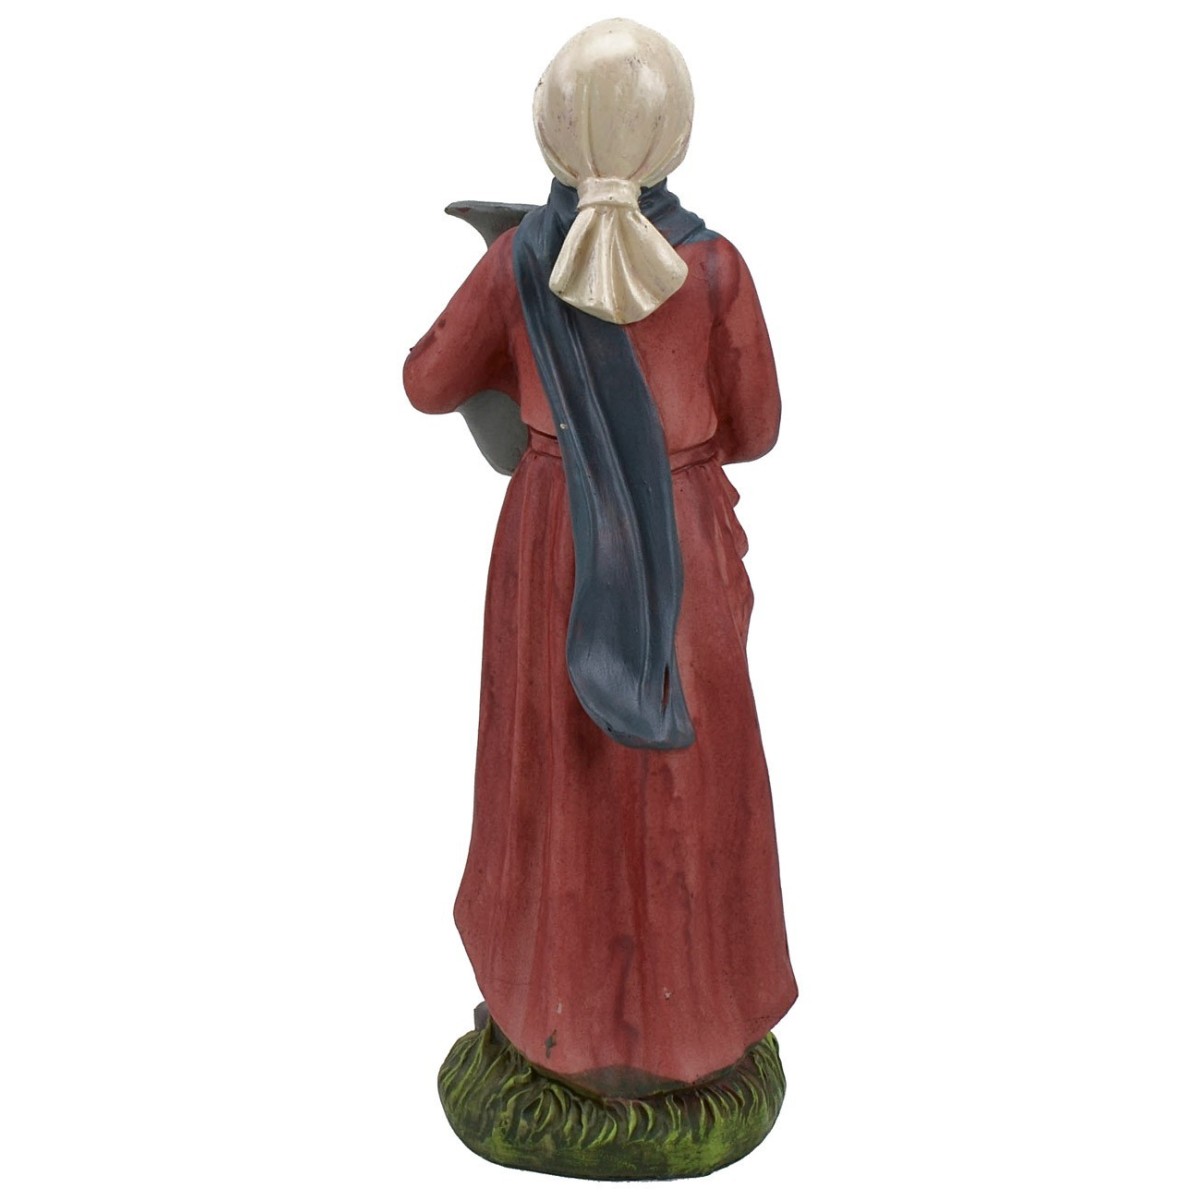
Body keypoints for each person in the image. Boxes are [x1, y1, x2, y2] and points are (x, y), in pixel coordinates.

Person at [404, 18, 796, 1101]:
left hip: (555, 533)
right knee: (687, 782)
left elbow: (428, 382)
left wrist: (509, 304)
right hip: (682, 542)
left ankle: (553, 1017)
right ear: (674, 133)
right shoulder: (714, 268)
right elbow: (757, 427)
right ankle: (694, 1018)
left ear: (551, 128)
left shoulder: (519, 261)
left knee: (554, 770)